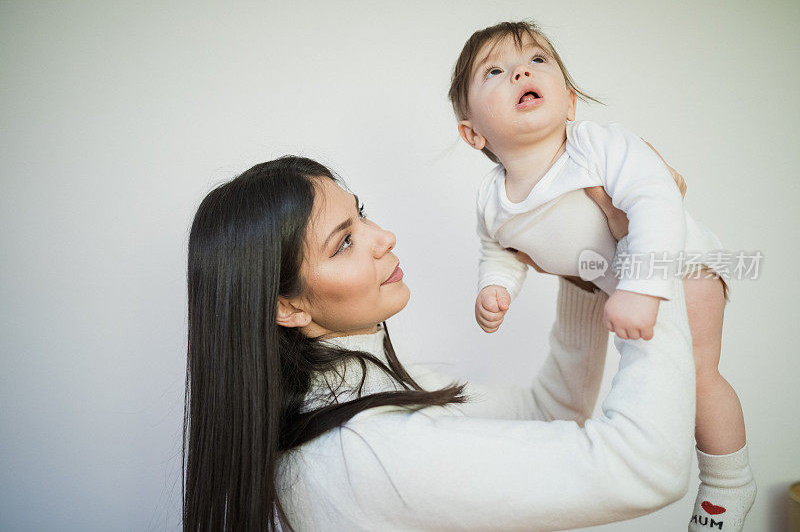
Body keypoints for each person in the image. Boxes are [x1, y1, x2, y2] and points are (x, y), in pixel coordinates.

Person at [183, 155, 697, 531]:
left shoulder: (375, 398)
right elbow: (648, 465)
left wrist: (584, 266)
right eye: (344, 242)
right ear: (288, 307)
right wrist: (647, 263)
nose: (383, 236)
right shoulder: (365, 452)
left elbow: (552, 410)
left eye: (361, 214)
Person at [448, 20, 755, 530]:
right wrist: (494, 286)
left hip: (682, 263)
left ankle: (729, 483)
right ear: (473, 132)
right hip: (612, 283)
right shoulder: (491, 198)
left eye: (537, 60)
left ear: (568, 101)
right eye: (496, 71)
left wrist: (641, 286)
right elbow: (500, 247)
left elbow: (657, 197)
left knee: (699, 378)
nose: (521, 70)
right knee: (639, 389)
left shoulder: (596, 146)